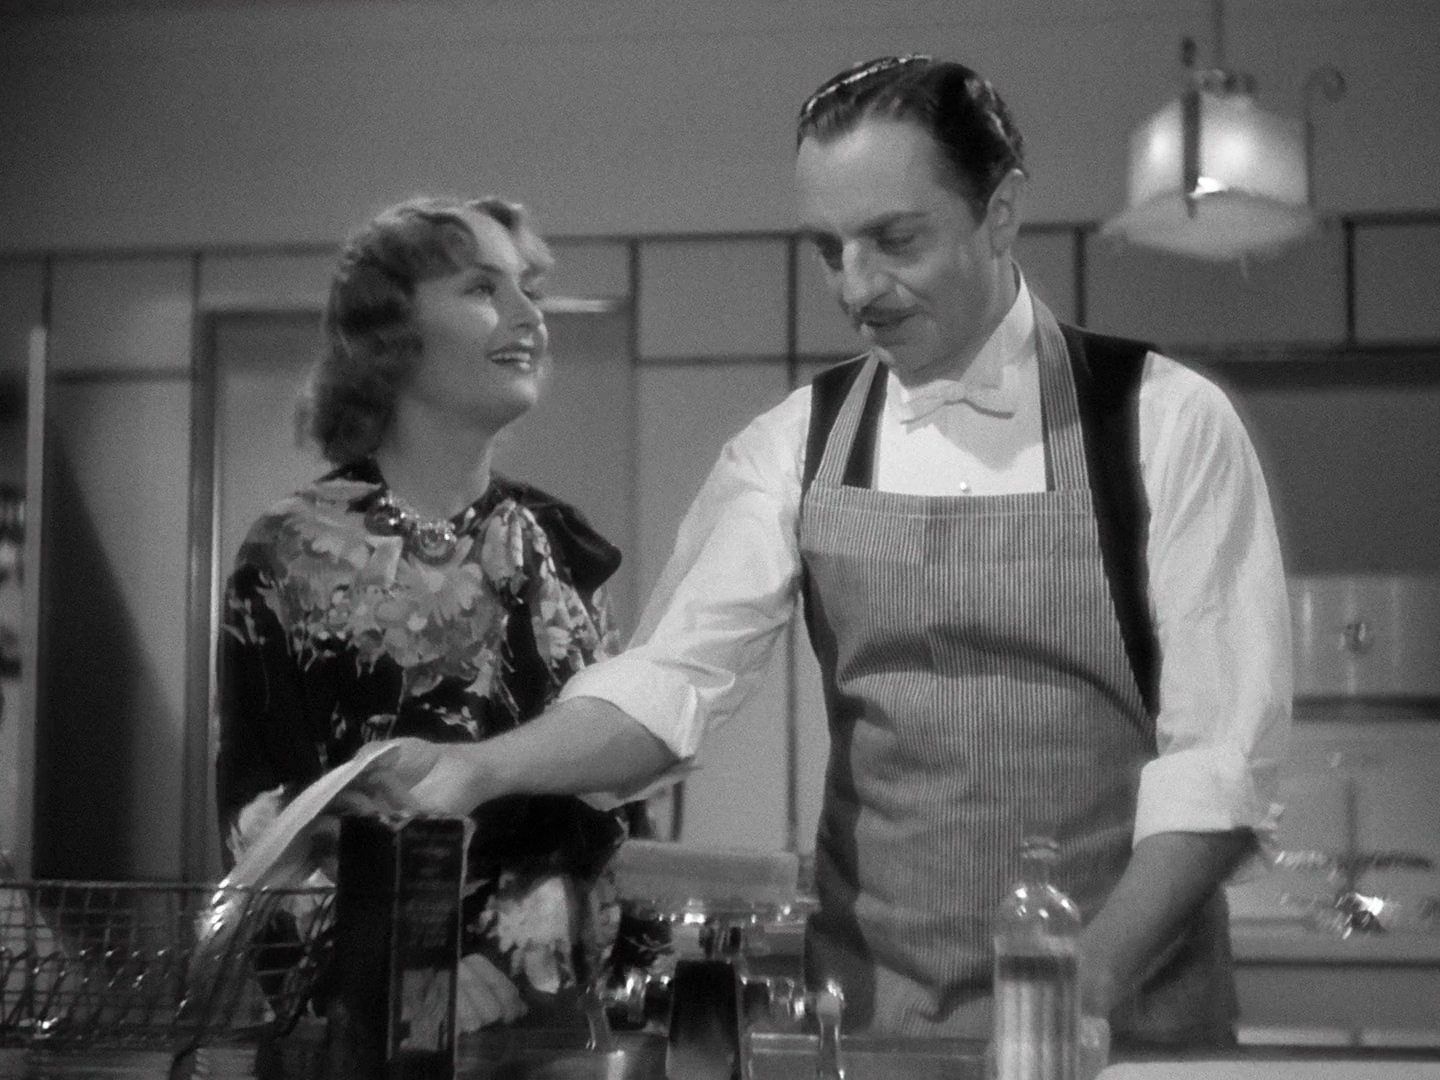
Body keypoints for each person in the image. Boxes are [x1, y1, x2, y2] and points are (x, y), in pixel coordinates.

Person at [376, 56, 1292, 1049]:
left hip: (1127, 1027)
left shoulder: (1164, 422)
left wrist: (1081, 985)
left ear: (1000, 213)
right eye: (828, 248)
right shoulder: (793, 446)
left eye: (896, 240)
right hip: (875, 1026)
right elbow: (667, 684)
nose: (857, 288)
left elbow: (1218, 766)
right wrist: (478, 770)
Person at [215, 195, 658, 1031]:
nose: (530, 316)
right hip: (373, 1027)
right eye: (484, 289)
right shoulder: (291, 552)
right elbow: (265, 826)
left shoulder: (560, 543)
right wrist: (416, 981)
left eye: (530, 289)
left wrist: (587, 975)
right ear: (391, 331)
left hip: (557, 1022)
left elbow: (611, 811)